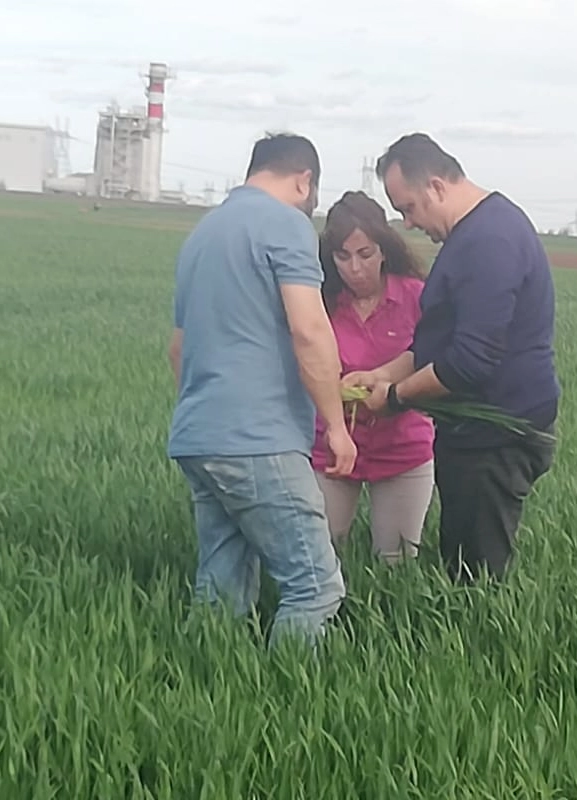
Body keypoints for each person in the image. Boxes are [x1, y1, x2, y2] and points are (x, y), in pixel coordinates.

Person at [166, 132, 356, 650]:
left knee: (221, 587)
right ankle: (286, 693)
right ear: (304, 180)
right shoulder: (286, 224)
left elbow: (178, 349)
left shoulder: (203, 234)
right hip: (259, 439)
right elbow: (309, 330)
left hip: (198, 435)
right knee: (315, 587)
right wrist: (336, 426)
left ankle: (204, 682)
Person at [348, 132, 560, 584]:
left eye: (409, 208)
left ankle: (485, 632)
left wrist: (396, 398)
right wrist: (382, 374)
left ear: (437, 187)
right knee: (461, 560)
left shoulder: (489, 241)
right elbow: (440, 344)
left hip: (495, 436)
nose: (408, 224)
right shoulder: (477, 233)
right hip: (475, 433)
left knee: (476, 576)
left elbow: (469, 361)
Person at [311, 190, 435, 564]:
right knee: (320, 555)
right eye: (342, 256)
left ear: (384, 250)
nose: (355, 268)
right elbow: (302, 361)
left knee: (396, 561)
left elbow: (433, 356)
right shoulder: (319, 301)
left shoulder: (417, 296)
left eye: (365, 254)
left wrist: (384, 382)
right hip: (330, 446)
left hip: (404, 446)